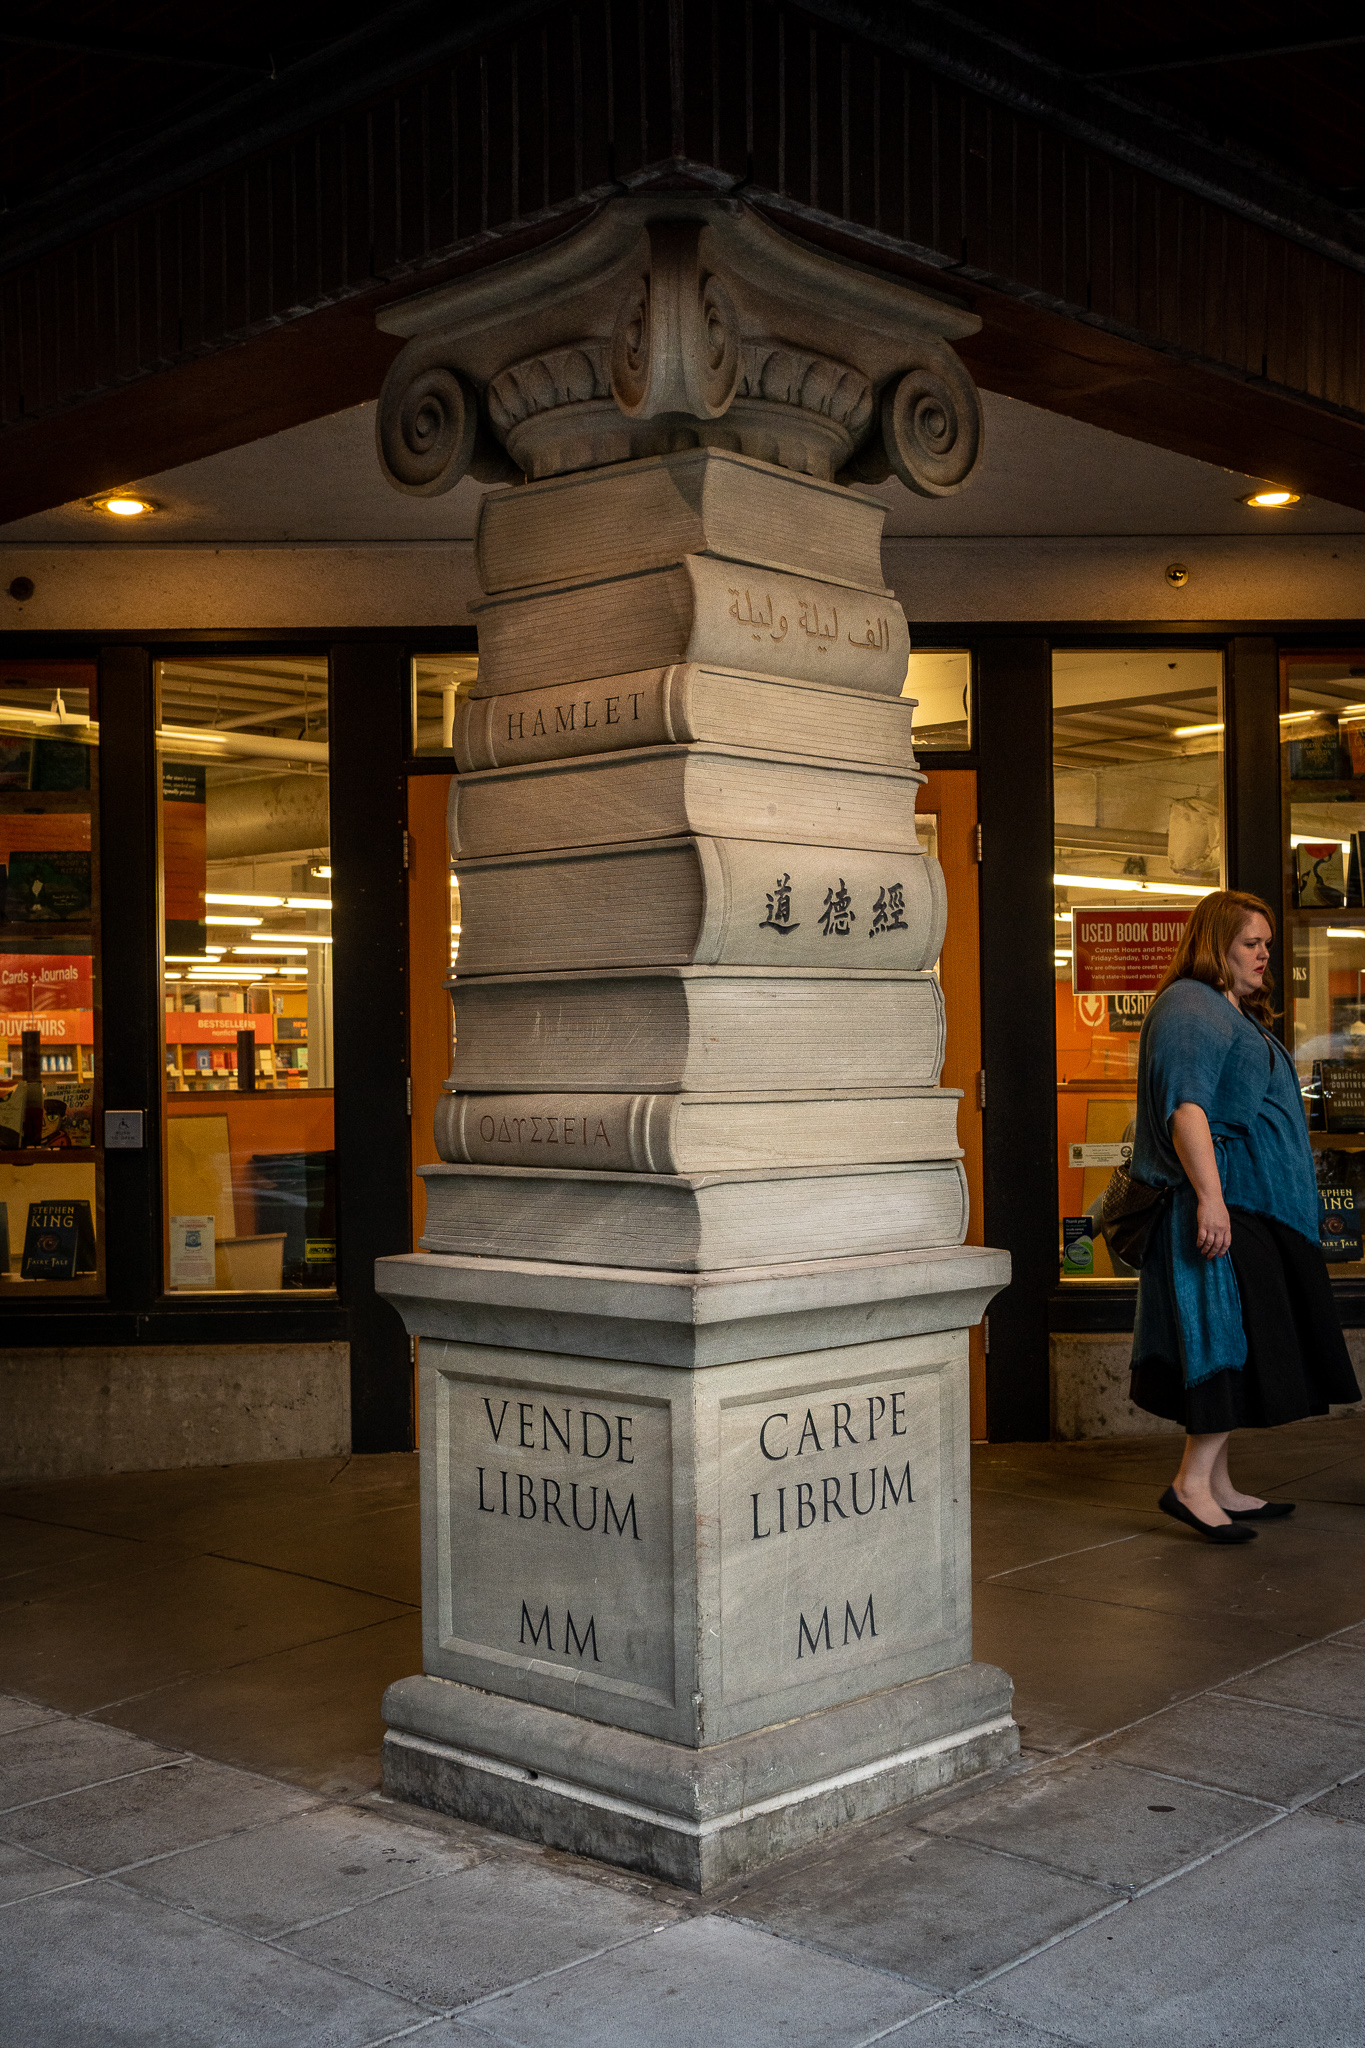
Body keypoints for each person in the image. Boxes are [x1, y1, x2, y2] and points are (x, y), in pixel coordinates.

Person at [1127, 890, 1359, 1543]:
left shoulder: (1227, 1010)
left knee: (1243, 1339)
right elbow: (1186, 1110)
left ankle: (1218, 1482)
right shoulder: (1189, 1007)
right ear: (1215, 943)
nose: (1264, 954)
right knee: (1220, 1341)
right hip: (1225, 1207)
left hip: (1254, 1207)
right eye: (1250, 943)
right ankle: (1191, 1485)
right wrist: (1209, 1198)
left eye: (1265, 943)